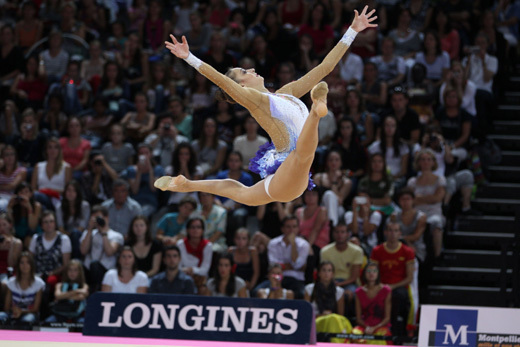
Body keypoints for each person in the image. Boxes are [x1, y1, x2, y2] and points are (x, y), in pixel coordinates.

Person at [155, 6, 378, 206]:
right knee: (303, 153)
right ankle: (317, 111)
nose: (251, 70)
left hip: (283, 179)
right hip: (292, 167)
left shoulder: (286, 93)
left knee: (242, 193)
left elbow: (325, 67)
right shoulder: (256, 100)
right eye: (244, 72)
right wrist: (190, 58)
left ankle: (187, 185)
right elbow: (222, 82)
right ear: (240, 85)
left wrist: (353, 30)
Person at [370, 222, 415, 337]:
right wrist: (380, 286)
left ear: (400, 233)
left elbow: (409, 278)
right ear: (385, 233)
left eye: (395, 231)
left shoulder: (407, 251)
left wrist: (392, 287)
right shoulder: (377, 251)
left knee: (398, 296)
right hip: (380, 285)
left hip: (398, 287)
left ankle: (394, 332)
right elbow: (371, 272)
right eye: (390, 230)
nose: (393, 233)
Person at [407, 149, 446, 258]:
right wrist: (429, 198)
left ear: (433, 162)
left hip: (434, 212)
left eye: (429, 159)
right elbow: (410, 200)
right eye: (423, 159)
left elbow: (437, 198)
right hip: (417, 213)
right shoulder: (412, 181)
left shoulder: (440, 180)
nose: (426, 162)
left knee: (436, 223)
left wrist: (419, 198)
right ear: (418, 162)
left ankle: (438, 255)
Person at [263, 215, 310, 299]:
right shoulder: (273, 243)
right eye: (288, 227)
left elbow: (297, 265)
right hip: (276, 277)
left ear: (298, 228)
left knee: (302, 294)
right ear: (282, 228)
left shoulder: (304, 245)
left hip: (296, 279)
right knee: (257, 291)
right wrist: (290, 266)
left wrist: (293, 244)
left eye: (294, 227)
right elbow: (273, 265)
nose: (291, 230)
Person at [80, 205, 124, 292]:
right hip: (88, 270)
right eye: (94, 218)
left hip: (106, 271)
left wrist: (103, 232)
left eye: (98, 218)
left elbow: (109, 251)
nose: (97, 221)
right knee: (77, 264)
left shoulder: (116, 235)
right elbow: (83, 251)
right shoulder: (88, 233)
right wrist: (89, 229)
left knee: (95, 265)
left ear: (106, 218)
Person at [320, 223, 363, 307]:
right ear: (333, 233)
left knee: (348, 295)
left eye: (342, 232)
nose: (340, 235)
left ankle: (345, 319)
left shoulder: (357, 251)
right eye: (337, 232)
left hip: (349, 283)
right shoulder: (325, 251)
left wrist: (338, 285)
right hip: (330, 282)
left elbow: (354, 277)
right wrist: (332, 284)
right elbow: (324, 271)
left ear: (348, 234)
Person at [28, 211, 71, 288]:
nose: (49, 224)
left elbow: (65, 265)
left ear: (55, 223)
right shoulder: (36, 238)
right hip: (36, 273)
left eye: (51, 221)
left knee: (50, 281)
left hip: (54, 275)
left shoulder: (64, 239)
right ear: (41, 225)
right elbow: (29, 259)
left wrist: (51, 273)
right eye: (45, 222)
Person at [352, 262, 392, 345]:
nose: (371, 273)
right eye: (369, 271)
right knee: (355, 334)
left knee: (381, 337)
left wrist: (374, 328)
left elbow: (387, 318)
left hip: (380, 326)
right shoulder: (359, 292)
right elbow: (358, 318)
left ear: (378, 273)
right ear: (364, 273)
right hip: (365, 326)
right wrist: (367, 328)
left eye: (374, 271)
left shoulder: (386, 290)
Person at [0, 252, 45, 325]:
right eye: (22, 263)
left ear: (32, 265)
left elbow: (36, 309)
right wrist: (14, 310)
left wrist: (21, 311)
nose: (25, 265)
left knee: (27, 320)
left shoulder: (39, 283)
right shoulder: (11, 282)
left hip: (29, 313)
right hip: (13, 313)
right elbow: (6, 307)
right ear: (18, 265)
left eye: (28, 262)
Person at [31, 137, 72, 210]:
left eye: (55, 147)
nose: (52, 150)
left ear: (59, 150)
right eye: (50, 147)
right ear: (46, 150)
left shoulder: (66, 167)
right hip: (40, 199)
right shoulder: (38, 166)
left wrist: (48, 191)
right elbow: (33, 188)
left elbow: (68, 191)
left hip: (58, 199)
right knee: (38, 202)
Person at [392, 188, 427, 265]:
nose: (405, 202)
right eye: (403, 199)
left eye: (408, 199)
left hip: (416, 247)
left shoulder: (421, 217)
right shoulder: (394, 216)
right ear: (399, 201)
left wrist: (402, 239)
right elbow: (391, 233)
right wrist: (403, 241)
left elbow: (416, 236)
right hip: (397, 244)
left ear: (413, 200)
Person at [177, 217, 213, 291]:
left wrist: (192, 270)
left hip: (200, 277)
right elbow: (177, 267)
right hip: (182, 275)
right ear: (187, 230)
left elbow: (205, 270)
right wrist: (186, 271)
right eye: (192, 227)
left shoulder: (208, 245)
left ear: (203, 230)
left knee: (203, 288)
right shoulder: (180, 244)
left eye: (198, 227)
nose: (195, 230)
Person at [0, 145, 27, 211]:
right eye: (7, 155)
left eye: (12, 154)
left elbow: (12, 186)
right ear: (2, 157)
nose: (10, 157)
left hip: (11, 198)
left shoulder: (21, 171)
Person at [0, 213, 22, 283]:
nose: (2, 228)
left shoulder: (16, 242)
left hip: (7, 273)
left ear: (10, 225)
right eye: (0, 225)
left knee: (4, 284)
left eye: (4, 225)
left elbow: (11, 264)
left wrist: (11, 247)